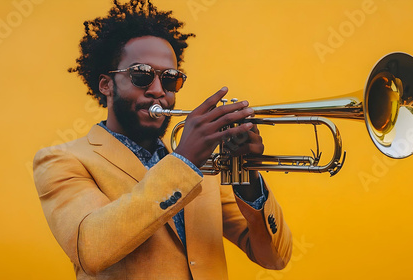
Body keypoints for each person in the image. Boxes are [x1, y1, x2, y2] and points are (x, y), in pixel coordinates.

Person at [33, 0, 292, 279]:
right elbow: (92, 249)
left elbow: (275, 258)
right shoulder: (62, 160)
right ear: (106, 85)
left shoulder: (205, 171)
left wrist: (249, 177)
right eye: (141, 75)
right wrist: (184, 161)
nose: (158, 91)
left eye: (170, 79)